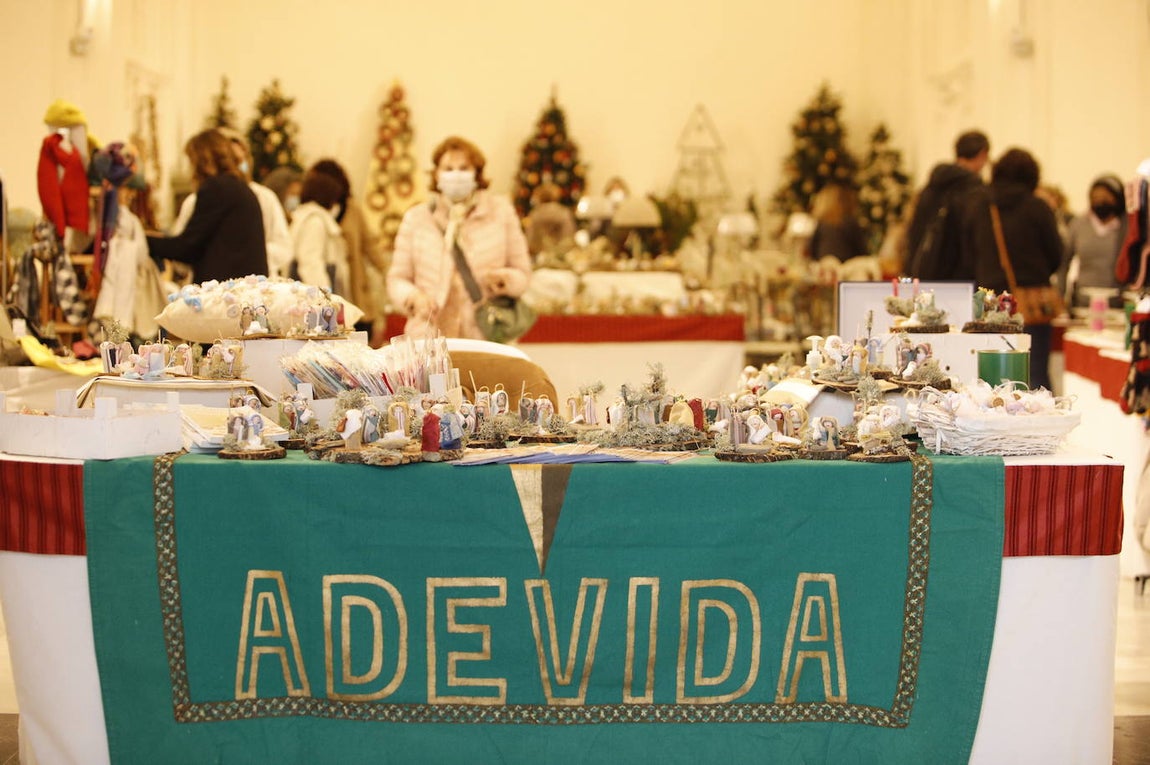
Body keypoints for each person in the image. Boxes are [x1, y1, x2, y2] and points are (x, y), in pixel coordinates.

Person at [387, 135, 532, 339]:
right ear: (436, 174)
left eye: (464, 168)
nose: (456, 175)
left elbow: (523, 273)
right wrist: (414, 298)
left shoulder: (501, 213)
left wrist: (505, 280)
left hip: (484, 333)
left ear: (476, 174)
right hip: (428, 334)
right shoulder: (417, 218)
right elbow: (397, 279)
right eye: (448, 168)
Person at [971, 148, 1064, 390]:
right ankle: (1038, 412)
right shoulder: (1037, 207)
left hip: (989, 300)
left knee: (989, 370)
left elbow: (970, 251)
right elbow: (1056, 254)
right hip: (1031, 303)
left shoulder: (982, 208)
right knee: (1035, 370)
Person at [170, 129, 293, 278]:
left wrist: (249, 254)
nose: (241, 165)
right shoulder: (194, 201)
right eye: (234, 159)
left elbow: (283, 247)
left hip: (256, 282)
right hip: (210, 283)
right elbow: (182, 253)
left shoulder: (265, 198)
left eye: (243, 159)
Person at [148, 129, 267, 282]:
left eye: (191, 161)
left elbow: (187, 247)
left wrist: (145, 240)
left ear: (201, 161)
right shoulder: (237, 186)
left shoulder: (216, 188)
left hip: (224, 289)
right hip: (244, 286)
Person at [309, 159, 386, 331]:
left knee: (358, 331)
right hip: (327, 286)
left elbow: (369, 244)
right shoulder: (314, 215)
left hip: (354, 288)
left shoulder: (352, 209)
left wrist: (387, 271)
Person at [904, 130, 991, 280]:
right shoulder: (975, 192)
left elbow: (914, 230)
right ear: (982, 154)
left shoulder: (930, 187)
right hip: (960, 277)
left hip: (925, 272)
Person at [1064, 174, 1126, 307]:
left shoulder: (1127, 227)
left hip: (1118, 302)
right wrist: (1061, 296)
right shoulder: (1078, 225)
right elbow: (1063, 263)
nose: (1100, 202)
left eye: (1106, 198)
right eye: (1096, 198)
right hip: (1082, 302)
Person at [289, 170, 348, 294]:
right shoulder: (315, 222)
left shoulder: (309, 217)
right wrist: (325, 295)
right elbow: (311, 264)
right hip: (312, 293)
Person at [808, 183, 867, 261]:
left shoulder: (821, 224)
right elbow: (861, 251)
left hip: (823, 264)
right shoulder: (849, 222)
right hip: (847, 265)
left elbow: (813, 251)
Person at [524, 182, 576, 256]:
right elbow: (569, 234)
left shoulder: (535, 214)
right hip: (561, 252)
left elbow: (531, 236)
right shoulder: (564, 212)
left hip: (540, 253)